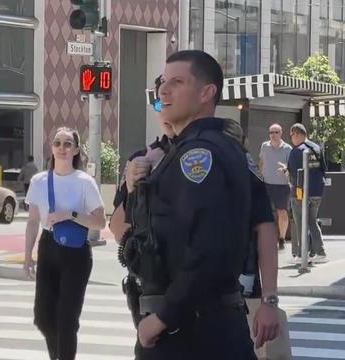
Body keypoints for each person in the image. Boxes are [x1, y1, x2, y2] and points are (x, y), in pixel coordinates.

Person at [112, 77, 281, 358]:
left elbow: (263, 224)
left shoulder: (223, 152)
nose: (165, 107)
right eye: (159, 101)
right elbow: (119, 232)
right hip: (159, 311)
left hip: (217, 311)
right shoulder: (141, 160)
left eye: (173, 96)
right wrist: (133, 188)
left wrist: (270, 300)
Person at [133, 50, 256, 359]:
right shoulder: (221, 148)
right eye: (163, 81)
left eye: (177, 82)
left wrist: (162, 319)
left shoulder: (197, 154)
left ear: (206, 92)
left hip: (191, 330)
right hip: (210, 324)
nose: (164, 90)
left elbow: (207, 248)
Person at [23, 127, 106, 360]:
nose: (62, 148)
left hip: (76, 252)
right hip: (48, 246)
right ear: (51, 148)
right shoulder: (39, 181)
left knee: (67, 319)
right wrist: (27, 255)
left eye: (68, 144)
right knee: (43, 317)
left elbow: (100, 222)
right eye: (57, 143)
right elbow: (31, 222)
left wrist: (70, 214)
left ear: (76, 150)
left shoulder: (84, 182)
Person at [286, 123, 328, 264]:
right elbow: (323, 168)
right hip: (317, 192)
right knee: (312, 222)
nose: (291, 138)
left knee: (300, 223)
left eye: (291, 135)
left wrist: (284, 171)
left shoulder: (297, 151)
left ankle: (301, 255)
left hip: (301, 193)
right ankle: (320, 253)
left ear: (296, 134)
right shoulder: (316, 148)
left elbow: (292, 173)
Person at [259, 124, 293, 250]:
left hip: (282, 185)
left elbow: (291, 168)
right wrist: (260, 178)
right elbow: (261, 162)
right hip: (267, 184)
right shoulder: (265, 146)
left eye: (276, 132)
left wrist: (285, 170)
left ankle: (282, 238)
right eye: (271, 132)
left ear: (281, 133)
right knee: (266, 212)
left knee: (282, 212)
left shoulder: (287, 148)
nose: (273, 135)